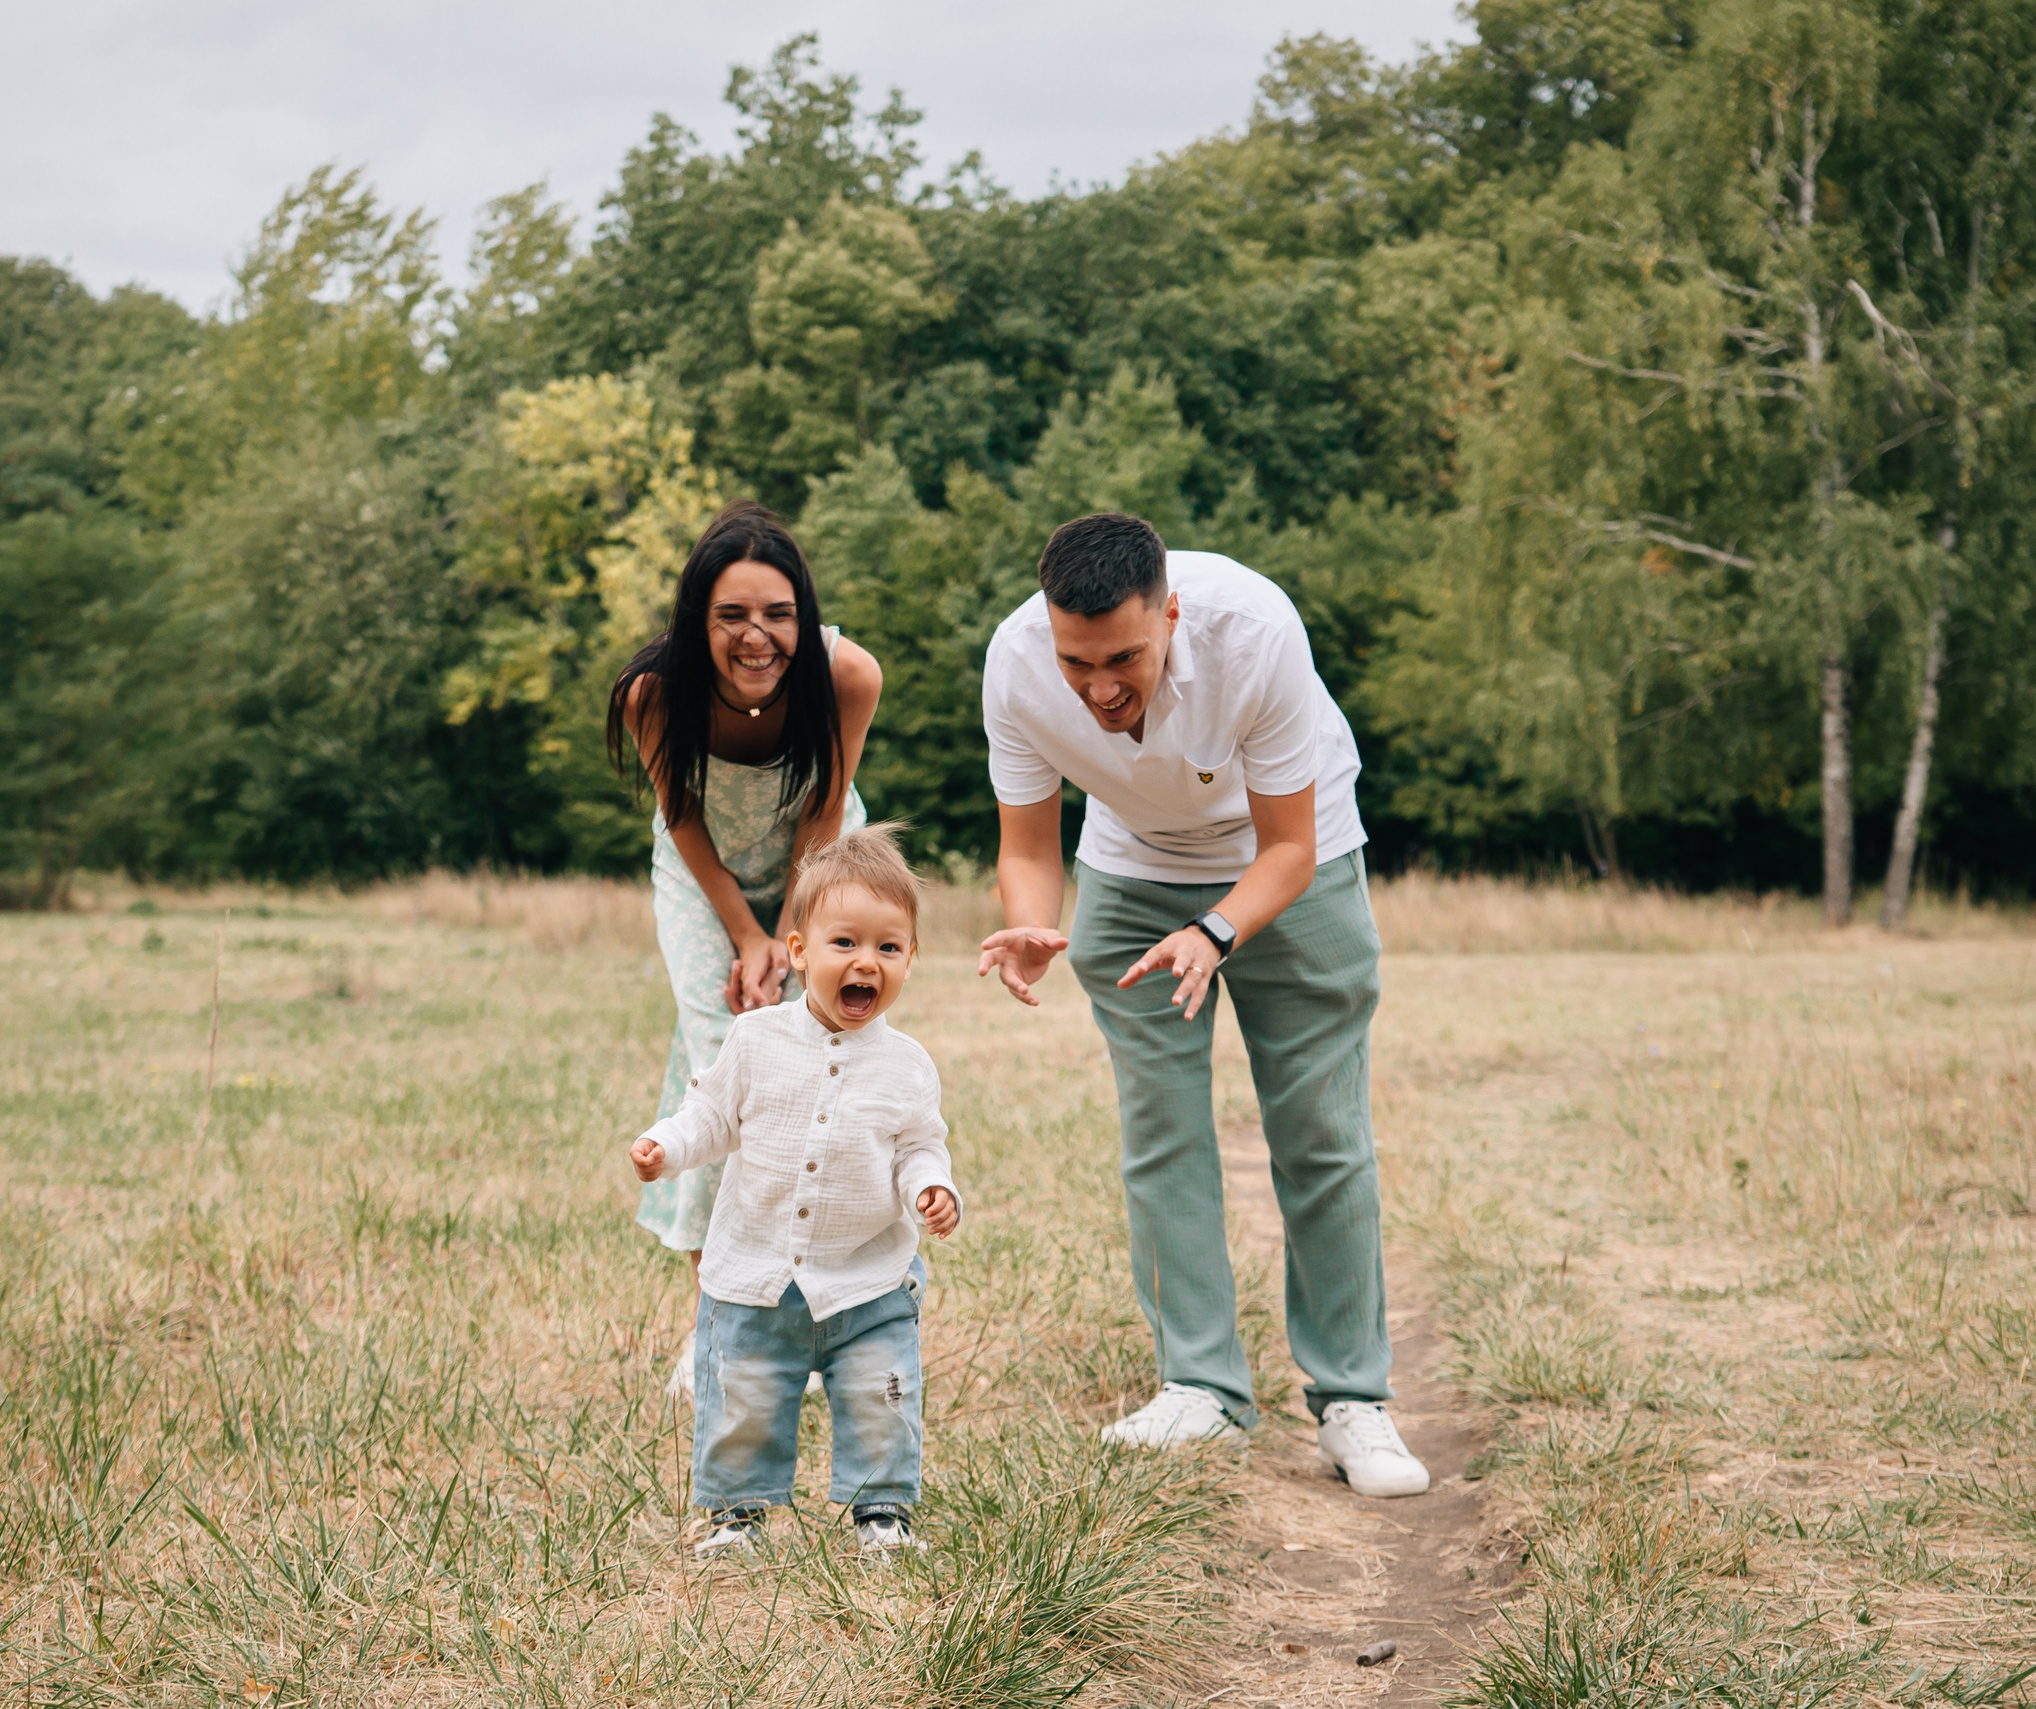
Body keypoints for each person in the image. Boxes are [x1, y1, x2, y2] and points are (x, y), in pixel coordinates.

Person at [973, 511, 1429, 1497]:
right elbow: (1027, 844)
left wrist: (1213, 933)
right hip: (1133, 866)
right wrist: (1032, 923)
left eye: (1124, 657)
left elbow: (1287, 849)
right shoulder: (1013, 662)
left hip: (1293, 858)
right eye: (1077, 660)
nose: (1099, 687)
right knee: (1161, 1130)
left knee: (1317, 1126)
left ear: (1169, 613)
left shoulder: (1256, 631)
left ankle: (1352, 1398)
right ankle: (1201, 1388)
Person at [608, 502, 879, 1400]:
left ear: (803, 612)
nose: (757, 635)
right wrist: (746, 934)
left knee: (817, 1067)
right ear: (698, 620)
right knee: (724, 1067)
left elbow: (825, 810)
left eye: (777, 613)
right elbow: (681, 817)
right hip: (704, 877)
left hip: (819, 862)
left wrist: (794, 935)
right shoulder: (654, 692)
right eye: (731, 615)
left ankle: (806, 1315)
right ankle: (719, 1324)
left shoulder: (845, 675)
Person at [629, 828, 961, 1558]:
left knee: (884, 1394)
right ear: (801, 949)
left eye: (889, 947)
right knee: (743, 1396)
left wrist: (932, 1187)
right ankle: (734, 1519)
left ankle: (883, 1515)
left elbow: (917, 1145)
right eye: (845, 942)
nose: (866, 962)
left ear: (910, 960)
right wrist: (668, 1146)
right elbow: (711, 1113)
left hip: (869, 1281)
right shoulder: (755, 1040)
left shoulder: (908, 1066)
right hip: (755, 1272)